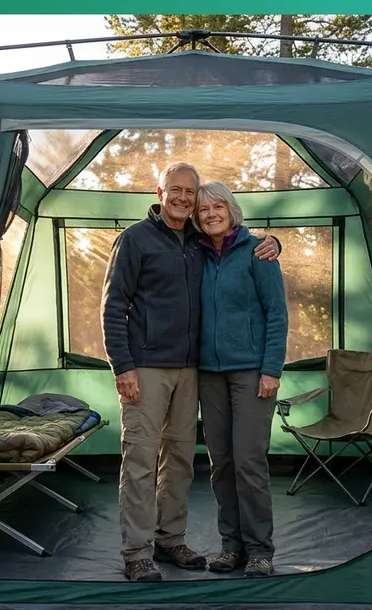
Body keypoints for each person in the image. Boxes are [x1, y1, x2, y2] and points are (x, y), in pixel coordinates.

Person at [101, 162, 281, 582]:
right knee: (142, 460)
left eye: (191, 193)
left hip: (192, 370)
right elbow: (112, 306)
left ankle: (171, 539)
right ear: (159, 192)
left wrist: (274, 242)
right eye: (177, 191)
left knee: (181, 460)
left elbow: (244, 254)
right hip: (147, 368)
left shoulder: (202, 244)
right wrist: (122, 366)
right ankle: (137, 552)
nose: (185, 199)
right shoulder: (135, 239)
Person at [193, 180, 288, 578]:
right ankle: (230, 546)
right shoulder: (194, 253)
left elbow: (277, 314)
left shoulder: (258, 252)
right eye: (203, 209)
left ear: (231, 210)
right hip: (208, 374)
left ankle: (260, 550)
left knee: (249, 462)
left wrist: (271, 370)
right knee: (221, 464)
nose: (211, 214)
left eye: (217, 206)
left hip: (251, 372)